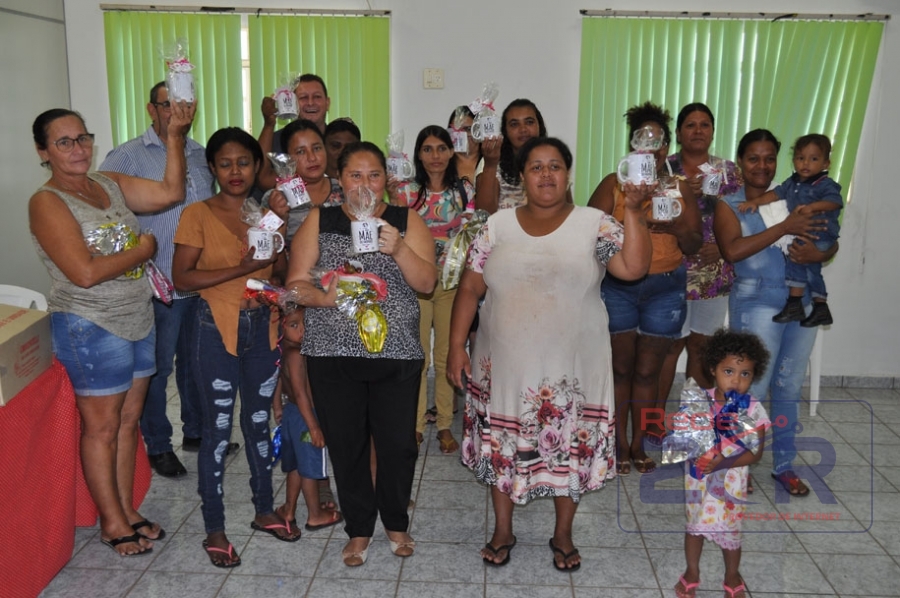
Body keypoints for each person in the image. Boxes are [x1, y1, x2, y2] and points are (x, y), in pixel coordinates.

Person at [447, 137, 652, 570]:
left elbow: (633, 269)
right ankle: (503, 529)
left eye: (554, 166)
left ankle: (563, 534)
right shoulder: (497, 226)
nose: (545, 174)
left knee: (568, 450)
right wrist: (454, 348)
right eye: (536, 167)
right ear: (522, 176)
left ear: (567, 174)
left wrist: (631, 211)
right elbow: (469, 288)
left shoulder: (594, 223)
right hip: (502, 366)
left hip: (572, 369)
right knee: (504, 448)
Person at [29, 103, 195, 555]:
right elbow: (83, 272)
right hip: (90, 325)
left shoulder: (107, 183)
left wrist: (175, 136)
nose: (78, 149)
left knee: (127, 423)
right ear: (43, 151)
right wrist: (144, 251)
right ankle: (111, 522)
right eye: (64, 142)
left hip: (137, 315)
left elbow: (169, 191)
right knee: (102, 429)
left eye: (83, 138)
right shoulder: (47, 202)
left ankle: (126, 508)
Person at [286, 141, 437, 566]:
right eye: (355, 175)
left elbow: (427, 282)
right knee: (346, 443)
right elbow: (295, 283)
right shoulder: (322, 219)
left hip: (397, 352)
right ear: (341, 180)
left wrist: (399, 249)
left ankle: (394, 521)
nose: (365, 184)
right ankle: (358, 528)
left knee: (397, 444)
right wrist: (325, 298)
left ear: (387, 180)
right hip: (331, 351)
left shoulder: (405, 221)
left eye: (374, 175)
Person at [171, 127, 296, 568]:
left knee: (259, 424)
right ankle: (215, 529)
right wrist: (240, 268)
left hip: (261, 326)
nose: (235, 171)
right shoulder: (197, 213)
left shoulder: (258, 213)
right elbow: (181, 278)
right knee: (218, 433)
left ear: (257, 166)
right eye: (225, 163)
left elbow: (276, 271)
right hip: (213, 328)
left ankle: (264, 510)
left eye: (244, 162)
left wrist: (274, 233)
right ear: (211, 168)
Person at [99, 81, 216, 478]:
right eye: (168, 106)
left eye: (184, 105)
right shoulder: (128, 156)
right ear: (152, 110)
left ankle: (197, 431)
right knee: (156, 370)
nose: (177, 113)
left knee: (195, 365)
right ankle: (159, 444)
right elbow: (103, 215)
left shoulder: (201, 155)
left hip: (198, 284)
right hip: (156, 285)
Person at [714, 129, 835, 498]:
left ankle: (784, 465)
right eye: (754, 158)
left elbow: (824, 235)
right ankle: (736, 463)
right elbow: (732, 251)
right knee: (751, 387)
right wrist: (784, 228)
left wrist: (821, 254)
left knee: (787, 385)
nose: (762, 166)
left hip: (802, 302)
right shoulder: (729, 203)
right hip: (756, 300)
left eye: (769, 158)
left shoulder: (793, 195)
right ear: (741, 162)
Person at [588, 102, 702, 475]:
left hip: (665, 288)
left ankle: (639, 444)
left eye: (658, 141)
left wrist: (673, 226)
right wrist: (628, 227)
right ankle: (618, 444)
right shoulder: (613, 184)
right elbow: (589, 234)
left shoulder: (678, 187)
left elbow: (694, 243)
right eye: (643, 139)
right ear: (633, 145)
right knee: (620, 370)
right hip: (619, 287)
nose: (651, 147)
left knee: (648, 372)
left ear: (667, 149)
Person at [388, 125, 475, 453]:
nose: (435, 155)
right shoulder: (407, 192)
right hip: (417, 286)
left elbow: (472, 235)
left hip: (452, 286)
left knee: (445, 356)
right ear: (418, 154)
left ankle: (442, 425)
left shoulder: (464, 191)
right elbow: (396, 234)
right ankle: (413, 424)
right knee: (417, 357)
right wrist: (395, 201)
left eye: (441, 148)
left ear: (452, 152)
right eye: (427, 149)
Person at [675, 329, 770, 598]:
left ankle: (732, 574)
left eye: (745, 374)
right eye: (728, 371)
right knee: (694, 526)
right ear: (713, 368)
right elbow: (685, 441)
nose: (736, 381)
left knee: (731, 530)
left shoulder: (752, 409)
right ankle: (692, 571)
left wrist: (723, 462)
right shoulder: (697, 401)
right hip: (699, 478)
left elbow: (757, 453)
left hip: (731, 482)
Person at [657, 103, 741, 398]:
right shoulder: (662, 167)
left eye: (704, 124)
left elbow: (742, 216)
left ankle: (695, 418)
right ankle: (655, 417)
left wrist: (722, 246)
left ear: (713, 131)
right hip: (671, 271)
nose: (698, 130)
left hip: (713, 274)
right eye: (690, 125)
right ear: (679, 132)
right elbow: (651, 216)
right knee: (670, 346)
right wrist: (683, 196)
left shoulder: (728, 172)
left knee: (702, 347)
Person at [737, 134, 842, 328]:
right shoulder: (792, 183)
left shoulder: (825, 184)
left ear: (826, 162)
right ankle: (816, 306)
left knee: (800, 259)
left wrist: (813, 207)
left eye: (814, 159)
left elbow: (836, 201)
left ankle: (801, 304)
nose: (806, 164)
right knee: (806, 266)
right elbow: (774, 195)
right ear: (793, 160)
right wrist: (754, 203)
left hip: (819, 232)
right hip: (805, 235)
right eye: (801, 158)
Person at [271, 304, 343, 533]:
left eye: (305, 324)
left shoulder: (283, 350)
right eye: (294, 325)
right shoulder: (297, 354)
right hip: (305, 417)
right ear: (281, 327)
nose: (302, 330)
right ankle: (315, 515)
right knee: (311, 468)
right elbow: (302, 393)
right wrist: (314, 427)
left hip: (291, 413)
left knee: (295, 466)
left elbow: (278, 381)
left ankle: (289, 509)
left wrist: (277, 407)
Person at [264, 118, 345, 244]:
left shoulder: (345, 190)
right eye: (301, 152)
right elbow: (266, 249)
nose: (312, 158)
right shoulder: (275, 199)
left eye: (317, 148)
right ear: (287, 158)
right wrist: (279, 218)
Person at [257, 74, 331, 190]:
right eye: (303, 98)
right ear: (291, 102)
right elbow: (262, 177)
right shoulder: (274, 140)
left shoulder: (338, 138)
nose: (310, 103)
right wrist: (269, 124)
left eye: (317, 97)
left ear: (327, 103)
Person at [475, 98, 547, 213]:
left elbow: (566, 215)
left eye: (529, 122)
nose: (523, 129)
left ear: (539, 126)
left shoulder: (554, 162)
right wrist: (490, 165)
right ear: (505, 131)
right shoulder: (491, 160)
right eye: (514, 124)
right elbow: (484, 213)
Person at [448, 105, 482, 184]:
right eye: (458, 130)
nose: (464, 135)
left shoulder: (490, 161)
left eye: (468, 129)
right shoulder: (443, 163)